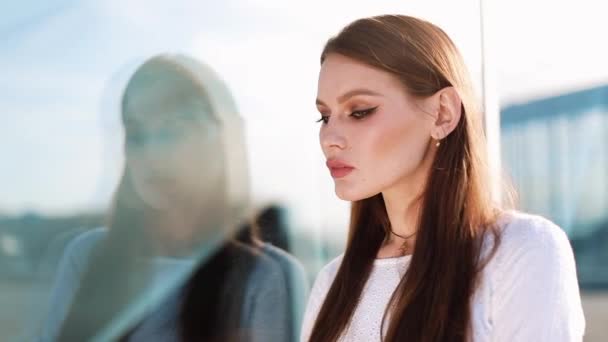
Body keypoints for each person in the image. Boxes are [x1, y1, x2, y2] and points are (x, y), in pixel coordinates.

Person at [301, 14, 586, 342]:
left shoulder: (520, 250)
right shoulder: (333, 282)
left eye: (359, 111)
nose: (329, 137)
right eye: (324, 116)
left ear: (443, 113)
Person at [40, 54, 290, 341]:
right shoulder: (87, 256)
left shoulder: (262, 276)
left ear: (222, 141)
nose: (151, 153)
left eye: (172, 130)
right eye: (136, 134)